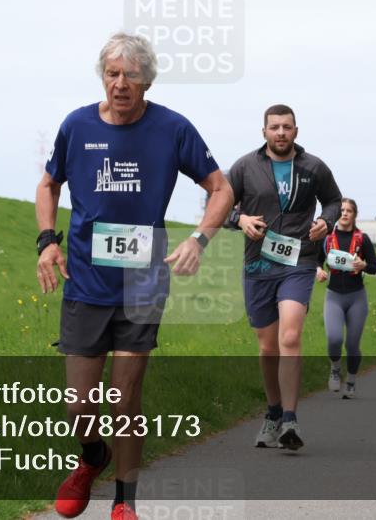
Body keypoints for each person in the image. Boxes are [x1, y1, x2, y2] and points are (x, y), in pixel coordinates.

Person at [36, 32, 234, 520]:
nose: (121, 83)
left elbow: (221, 188)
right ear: (102, 77)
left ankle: (125, 502)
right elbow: (49, 183)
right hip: (85, 281)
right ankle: (92, 456)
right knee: (79, 406)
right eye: (112, 74)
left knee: (124, 400)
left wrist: (198, 239)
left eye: (131, 75)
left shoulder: (173, 129)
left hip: (143, 282)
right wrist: (47, 241)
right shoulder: (77, 125)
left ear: (147, 80)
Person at [225, 104, 342, 451]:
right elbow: (220, 204)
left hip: (299, 260)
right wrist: (240, 220)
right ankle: (273, 412)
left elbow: (333, 201)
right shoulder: (244, 167)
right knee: (267, 346)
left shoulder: (313, 167)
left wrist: (326, 222)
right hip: (258, 263)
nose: (280, 132)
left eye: (286, 127)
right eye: (274, 127)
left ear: (296, 131)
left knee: (290, 336)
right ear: (264, 131)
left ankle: (290, 419)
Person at [315, 198, 376, 399]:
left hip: (356, 297)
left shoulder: (363, 239)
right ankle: (335, 368)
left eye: (348, 211)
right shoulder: (327, 238)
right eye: (341, 210)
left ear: (354, 215)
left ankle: (351, 381)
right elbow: (316, 260)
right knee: (334, 339)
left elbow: (375, 267)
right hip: (333, 296)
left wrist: (364, 265)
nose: (344, 213)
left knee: (352, 345)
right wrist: (318, 271)